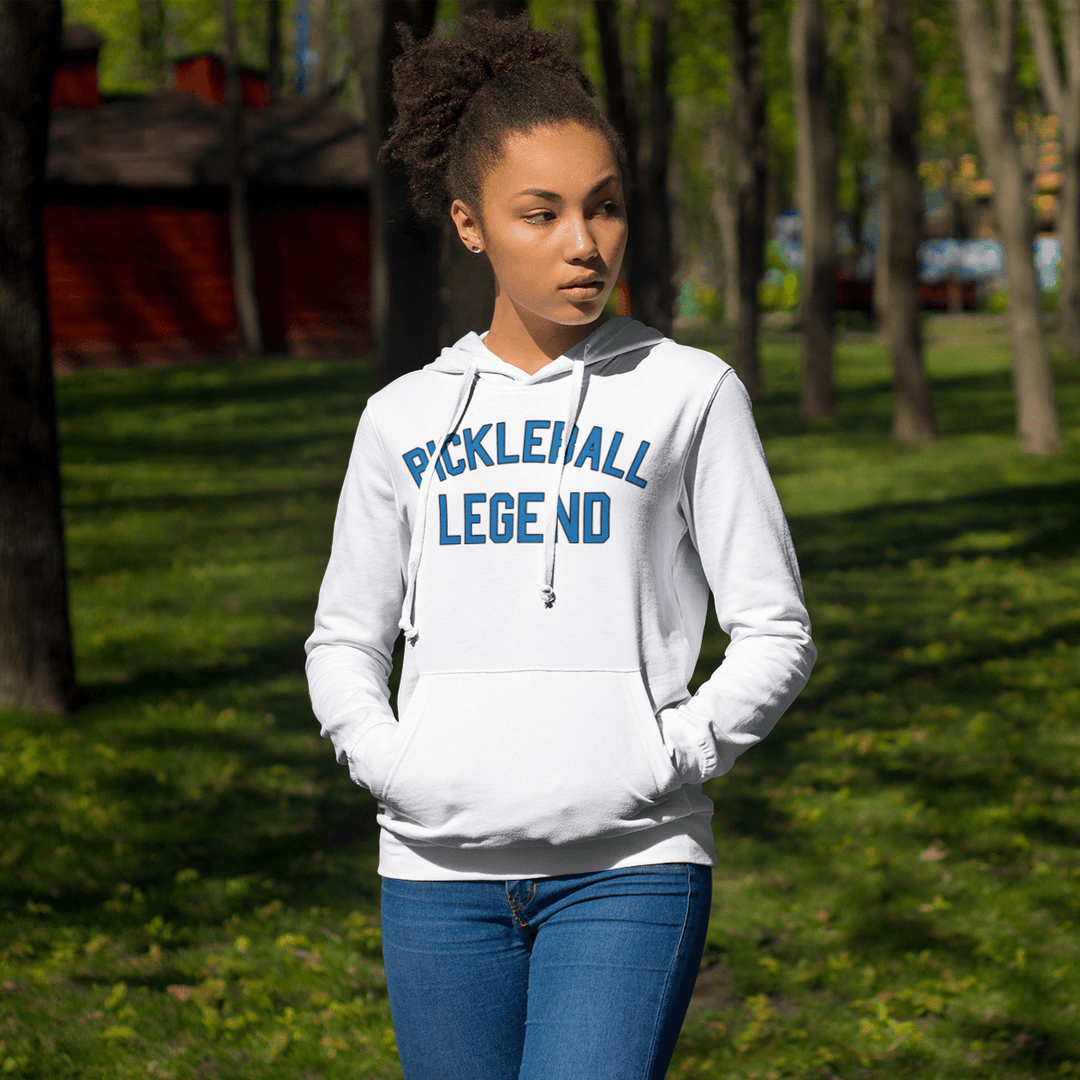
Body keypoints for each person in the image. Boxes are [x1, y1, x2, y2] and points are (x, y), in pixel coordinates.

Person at [305, 12, 816, 1079]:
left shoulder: (690, 394)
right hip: (436, 876)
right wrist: (393, 762)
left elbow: (774, 627)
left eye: (605, 206)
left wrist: (669, 757)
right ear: (470, 224)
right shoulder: (401, 417)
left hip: (631, 866)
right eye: (541, 213)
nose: (585, 243)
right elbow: (344, 638)